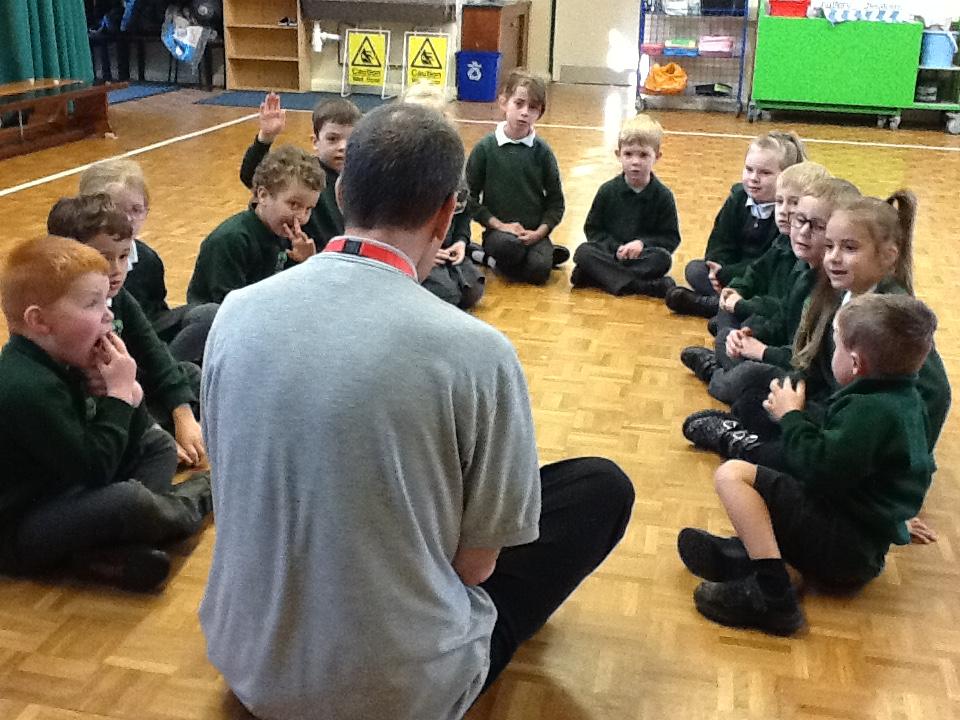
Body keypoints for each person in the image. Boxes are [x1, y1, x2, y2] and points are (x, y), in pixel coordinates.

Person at [199, 103, 634, 720]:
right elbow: (476, 568)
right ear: (447, 212)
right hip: (395, 695)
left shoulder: (236, 311)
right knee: (601, 488)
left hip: (246, 660)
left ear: (341, 193)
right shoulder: (478, 351)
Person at [677, 294, 938, 635]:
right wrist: (892, 516)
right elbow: (908, 471)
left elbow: (815, 467)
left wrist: (791, 416)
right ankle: (777, 566)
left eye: (836, 345)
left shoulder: (869, 412)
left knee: (733, 475)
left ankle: (773, 593)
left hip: (841, 546)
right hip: (859, 547)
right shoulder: (905, 401)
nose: (833, 352)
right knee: (774, 471)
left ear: (855, 363)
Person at [0, 236, 211, 593]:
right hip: (20, 530)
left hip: (67, 486)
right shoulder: (25, 384)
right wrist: (118, 397)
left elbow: (117, 445)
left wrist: (132, 396)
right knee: (128, 501)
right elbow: (96, 468)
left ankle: (104, 551)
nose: (109, 315)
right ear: (39, 321)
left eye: (106, 302)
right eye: (92, 304)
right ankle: (200, 495)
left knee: (157, 445)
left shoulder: (64, 362)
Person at [47, 194, 206, 469]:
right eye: (103, 258)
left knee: (189, 375)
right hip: (94, 410)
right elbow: (89, 394)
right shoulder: (64, 314)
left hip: (124, 395)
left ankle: (169, 437)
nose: (116, 269)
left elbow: (155, 354)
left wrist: (183, 416)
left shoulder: (120, 297)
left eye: (123, 256)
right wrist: (152, 431)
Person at [78, 158, 218, 365]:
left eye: (136, 210)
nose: (129, 219)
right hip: (106, 341)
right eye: (118, 210)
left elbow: (157, 310)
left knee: (209, 314)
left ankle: (168, 369)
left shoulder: (147, 258)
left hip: (145, 333)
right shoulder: (77, 264)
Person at [665, 131, 806, 317]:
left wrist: (727, 273)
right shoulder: (737, 197)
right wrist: (717, 268)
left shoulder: (786, 214)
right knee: (694, 269)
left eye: (765, 173)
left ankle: (714, 305)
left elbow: (768, 265)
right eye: (749, 169)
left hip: (760, 279)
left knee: (772, 289)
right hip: (729, 273)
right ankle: (729, 304)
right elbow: (719, 241)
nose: (754, 178)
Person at [466, 68, 568, 285]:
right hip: (499, 234)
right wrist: (500, 226)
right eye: (519, 104)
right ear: (504, 103)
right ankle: (494, 256)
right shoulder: (485, 148)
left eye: (532, 108)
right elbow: (470, 198)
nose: (524, 112)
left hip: (534, 233)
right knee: (510, 249)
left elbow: (556, 202)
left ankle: (530, 255)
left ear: (540, 113)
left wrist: (539, 233)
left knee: (538, 272)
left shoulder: (543, 152)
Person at [188, 145, 324, 305]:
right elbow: (228, 308)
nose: (301, 217)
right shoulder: (231, 240)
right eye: (293, 204)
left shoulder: (291, 237)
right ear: (263, 195)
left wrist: (307, 264)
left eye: (308, 209)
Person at [571, 114, 680, 297]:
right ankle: (643, 286)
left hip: (642, 257)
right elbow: (593, 230)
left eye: (643, 155)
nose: (635, 162)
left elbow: (670, 238)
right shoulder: (607, 190)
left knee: (662, 259)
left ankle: (598, 276)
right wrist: (616, 249)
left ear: (657, 156)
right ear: (618, 155)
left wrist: (642, 244)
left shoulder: (663, 196)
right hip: (611, 254)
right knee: (583, 252)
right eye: (628, 154)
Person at [239, 92, 361, 249]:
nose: (342, 147)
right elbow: (252, 176)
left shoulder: (360, 179)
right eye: (332, 139)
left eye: (350, 140)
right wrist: (266, 138)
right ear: (315, 142)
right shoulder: (306, 173)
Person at [402, 80, 485, 310]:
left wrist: (461, 242)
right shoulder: (398, 167)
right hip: (412, 252)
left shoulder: (454, 163)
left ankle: (470, 253)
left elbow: (464, 210)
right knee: (446, 294)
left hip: (446, 248)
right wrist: (425, 252)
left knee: (473, 290)